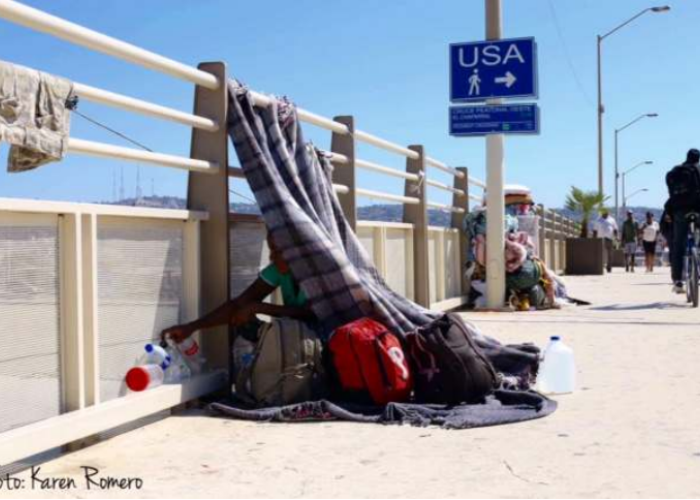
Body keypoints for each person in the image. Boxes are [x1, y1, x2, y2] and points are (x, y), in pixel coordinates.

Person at [161, 233, 314, 344]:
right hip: (296, 337)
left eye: (278, 251)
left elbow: (312, 312)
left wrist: (257, 307)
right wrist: (191, 327)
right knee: (242, 318)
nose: (272, 257)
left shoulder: (320, 270)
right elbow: (238, 304)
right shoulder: (277, 270)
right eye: (271, 250)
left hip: (321, 338)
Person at [664, 148, 700, 294]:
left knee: (678, 245)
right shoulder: (697, 170)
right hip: (697, 210)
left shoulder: (675, 172)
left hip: (679, 211)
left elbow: (671, 193)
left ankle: (678, 281)